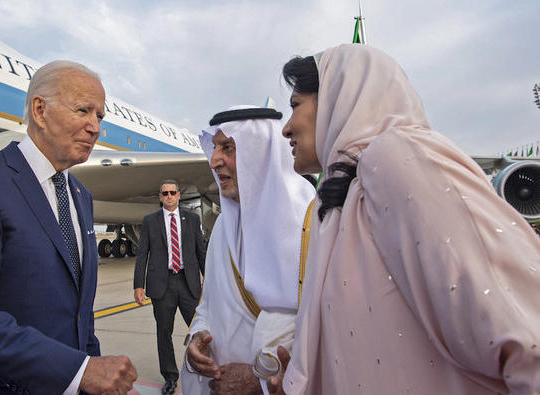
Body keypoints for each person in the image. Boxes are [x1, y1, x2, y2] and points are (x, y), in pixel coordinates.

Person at [279, 44, 540, 394]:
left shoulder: (397, 156)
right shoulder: (346, 198)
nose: (286, 127)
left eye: (295, 106)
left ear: (337, 98)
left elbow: (523, 333)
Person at [0, 61, 137, 395]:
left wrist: (91, 376)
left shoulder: (80, 196)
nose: (95, 127)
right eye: (83, 110)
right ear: (40, 110)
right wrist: (80, 371)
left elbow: (79, 319)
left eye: (99, 117)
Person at [181, 106, 315, 395]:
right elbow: (208, 303)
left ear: (259, 153)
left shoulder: (310, 221)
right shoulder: (221, 227)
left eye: (227, 147)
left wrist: (259, 380)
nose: (214, 161)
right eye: (214, 148)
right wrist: (196, 339)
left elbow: (324, 329)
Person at [133, 180, 206, 395]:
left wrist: (210, 280)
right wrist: (139, 285)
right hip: (161, 284)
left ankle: (205, 369)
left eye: (172, 192)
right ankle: (170, 377)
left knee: (199, 330)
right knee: (164, 332)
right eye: (165, 193)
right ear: (160, 196)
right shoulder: (150, 221)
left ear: (179, 195)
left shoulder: (192, 219)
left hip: (187, 282)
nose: (169, 196)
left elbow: (201, 253)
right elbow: (142, 255)